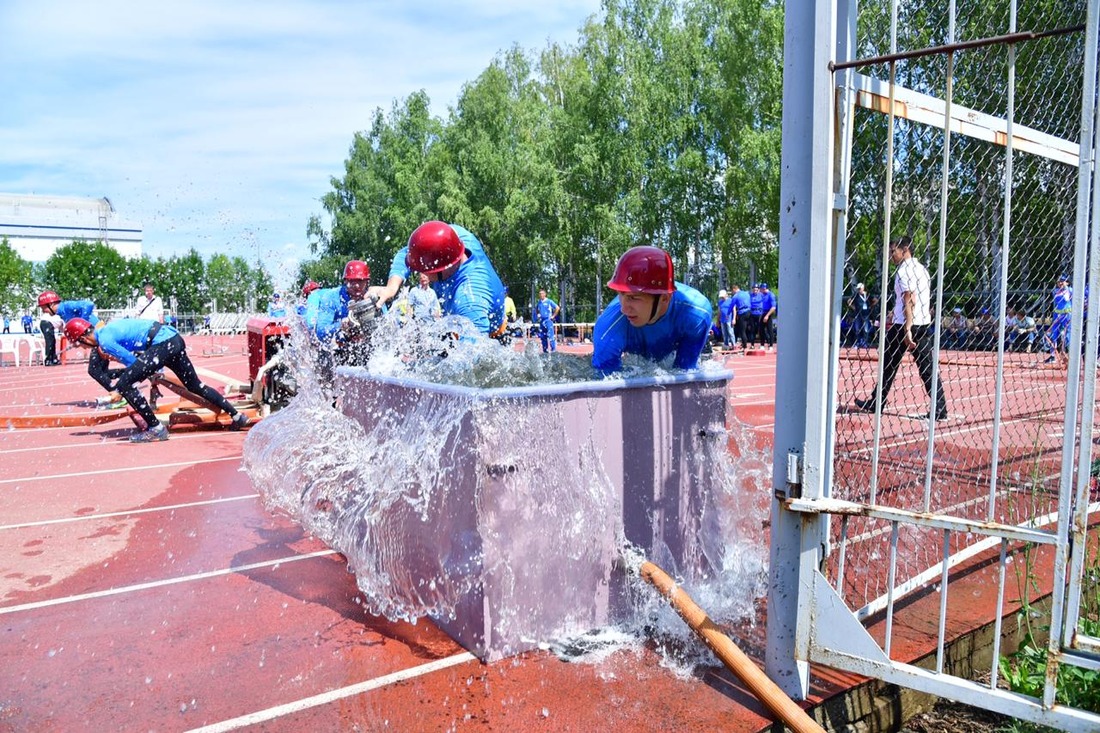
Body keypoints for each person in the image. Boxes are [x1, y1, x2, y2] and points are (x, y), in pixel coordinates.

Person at [64, 316, 248, 442]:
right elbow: (142, 364)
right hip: (173, 339)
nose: (83, 348)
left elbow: (132, 362)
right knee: (195, 385)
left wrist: (118, 390)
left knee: (125, 384)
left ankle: (156, 429)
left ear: (83, 337)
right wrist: (151, 376)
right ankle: (237, 415)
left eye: (80, 344)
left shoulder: (104, 340)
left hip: (162, 344)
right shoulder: (108, 330)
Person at [855, 236, 947, 421]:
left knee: (889, 363)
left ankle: (877, 402)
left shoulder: (905, 271)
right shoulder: (922, 269)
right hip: (921, 322)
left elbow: (909, 298)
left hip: (905, 326)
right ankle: (940, 408)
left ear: (905, 249)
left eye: (893, 251)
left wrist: (907, 328)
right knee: (925, 367)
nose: (891, 256)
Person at [367, 221, 506, 338]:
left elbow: (474, 358)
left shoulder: (469, 299)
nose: (419, 272)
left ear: (439, 268)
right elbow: (408, 252)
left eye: (423, 269)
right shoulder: (454, 235)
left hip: (490, 334)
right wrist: (391, 287)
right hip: (459, 322)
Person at [591, 246, 713, 375]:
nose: (624, 309)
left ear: (664, 298)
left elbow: (685, 374)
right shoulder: (609, 329)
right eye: (621, 294)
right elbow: (606, 387)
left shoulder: (696, 314)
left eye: (634, 297)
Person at [304, 260, 376, 359]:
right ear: (345, 281)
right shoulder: (331, 298)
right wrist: (340, 325)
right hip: (337, 348)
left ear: (367, 281)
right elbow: (320, 332)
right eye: (352, 281)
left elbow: (385, 327)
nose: (356, 286)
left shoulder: (373, 297)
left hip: (365, 346)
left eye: (360, 281)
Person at [38, 291, 100, 368]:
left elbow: (89, 304)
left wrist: (83, 324)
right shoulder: (61, 313)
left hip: (98, 331)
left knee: (96, 369)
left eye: (43, 308)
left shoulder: (66, 306)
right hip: (93, 336)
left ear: (51, 304)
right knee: (96, 370)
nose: (43, 311)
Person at [1045, 274, 1072, 366]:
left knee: (1067, 335)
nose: (1060, 283)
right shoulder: (1056, 291)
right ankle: (1053, 355)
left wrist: (1066, 289)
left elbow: (1069, 299)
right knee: (1053, 334)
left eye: (1062, 281)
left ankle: (1068, 355)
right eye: (1059, 281)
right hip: (1057, 315)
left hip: (1066, 314)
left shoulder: (1070, 290)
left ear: (1067, 282)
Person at [533, 289, 560, 353]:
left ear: (545, 294)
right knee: (543, 336)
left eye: (542, 293)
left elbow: (557, 308)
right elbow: (536, 309)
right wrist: (538, 314)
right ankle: (545, 350)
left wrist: (553, 316)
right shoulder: (539, 302)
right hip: (542, 321)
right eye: (539, 294)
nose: (541, 295)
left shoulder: (549, 301)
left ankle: (553, 350)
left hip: (548, 320)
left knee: (550, 335)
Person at [849, 283, 870, 348]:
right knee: (857, 328)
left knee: (865, 329)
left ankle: (865, 343)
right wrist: (854, 308)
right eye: (858, 289)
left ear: (863, 288)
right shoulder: (856, 295)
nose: (859, 290)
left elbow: (874, 300)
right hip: (858, 314)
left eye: (860, 289)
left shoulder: (867, 294)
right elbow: (849, 301)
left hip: (865, 314)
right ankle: (857, 343)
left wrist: (870, 307)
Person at [731, 284, 751, 350]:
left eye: (732, 291)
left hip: (742, 312)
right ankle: (746, 343)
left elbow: (731, 306)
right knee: (747, 329)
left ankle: (744, 346)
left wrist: (728, 314)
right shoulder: (746, 293)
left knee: (742, 331)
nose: (732, 293)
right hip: (749, 311)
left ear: (734, 289)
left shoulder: (736, 296)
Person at [759, 282, 777, 350]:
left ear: (765, 289)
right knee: (761, 329)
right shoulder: (763, 295)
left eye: (762, 289)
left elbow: (773, 307)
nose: (761, 290)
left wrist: (767, 315)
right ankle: (762, 344)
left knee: (770, 330)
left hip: (769, 312)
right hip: (763, 312)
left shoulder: (771, 295)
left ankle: (771, 345)